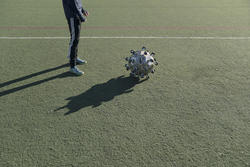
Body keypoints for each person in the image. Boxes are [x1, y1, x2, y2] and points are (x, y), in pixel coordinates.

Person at [62, 0, 89, 76]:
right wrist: (81, 17)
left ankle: (75, 58)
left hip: (77, 16)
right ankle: (72, 66)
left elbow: (78, 3)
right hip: (73, 17)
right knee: (74, 40)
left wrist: (83, 10)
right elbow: (73, 5)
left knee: (76, 40)